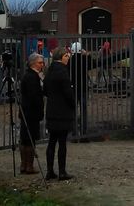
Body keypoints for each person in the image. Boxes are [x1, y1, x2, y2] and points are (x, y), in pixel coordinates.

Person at [43, 46, 75, 181]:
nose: (68, 58)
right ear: (60, 57)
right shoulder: (63, 72)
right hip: (62, 111)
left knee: (51, 141)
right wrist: (72, 104)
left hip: (51, 109)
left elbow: (45, 90)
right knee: (62, 142)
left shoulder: (49, 71)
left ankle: (50, 171)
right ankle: (62, 172)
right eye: (66, 56)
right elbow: (68, 92)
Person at [18, 52, 45, 175]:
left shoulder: (28, 76)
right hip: (31, 112)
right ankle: (29, 165)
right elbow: (34, 96)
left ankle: (24, 164)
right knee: (29, 139)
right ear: (33, 63)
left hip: (26, 111)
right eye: (40, 63)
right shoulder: (32, 77)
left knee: (25, 139)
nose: (42, 65)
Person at [67, 42, 95, 136]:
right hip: (83, 88)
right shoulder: (84, 59)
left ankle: (74, 132)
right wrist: (88, 54)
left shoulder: (70, 61)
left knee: (73, 110)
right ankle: (84, 131)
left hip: (73, 88)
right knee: (84, 111)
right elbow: (92, 64)